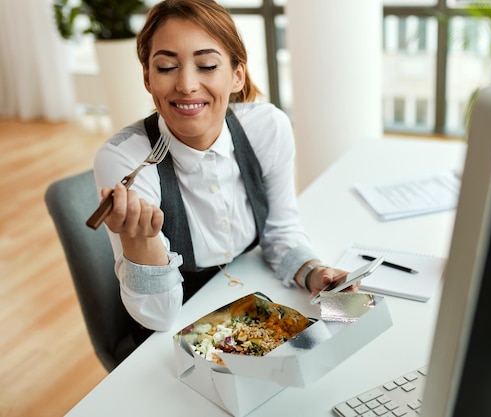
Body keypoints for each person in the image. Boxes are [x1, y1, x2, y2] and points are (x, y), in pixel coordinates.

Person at [93, 0, 357, 339]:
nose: (186, 84)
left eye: (205, 65)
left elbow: (279, 230)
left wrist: (313, 273)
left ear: (236, 75)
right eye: (166, 67)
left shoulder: (267, 128)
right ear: (147, 78)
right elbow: (158, 317)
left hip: (251, 291)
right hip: (177, 320)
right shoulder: (125, 158)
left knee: (346, 333)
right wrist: (138, 240)